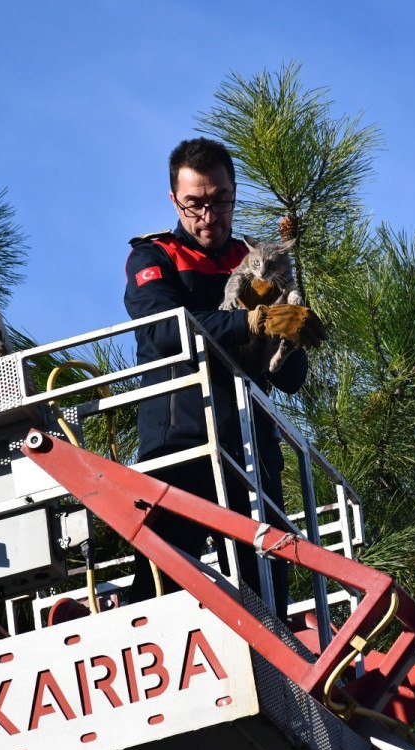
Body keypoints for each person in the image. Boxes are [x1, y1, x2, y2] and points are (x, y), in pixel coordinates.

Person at [122, 137, 326, 619]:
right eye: (195, 204)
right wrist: (251, 321)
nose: (208, 216)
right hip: (180, 449)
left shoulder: (259, 261)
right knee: (162, 589)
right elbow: (167, 329)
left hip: (254, 450)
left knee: (269, 595)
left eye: (219, 201)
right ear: (175, 200)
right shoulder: (155, 258)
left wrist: (293, 332)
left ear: (235, 193)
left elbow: (291, 378)